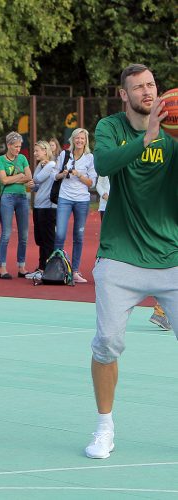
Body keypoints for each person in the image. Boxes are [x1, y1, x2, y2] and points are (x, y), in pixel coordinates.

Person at [86, 63, 178, 460]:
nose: (147, 92)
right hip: (120, 255)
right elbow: (103, 165)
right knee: (107, 343)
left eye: (151, 85)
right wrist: (146, 138)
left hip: (172, 255)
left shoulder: (175, 134)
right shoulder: (110, 128)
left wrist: (163, 135)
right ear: (123, 95)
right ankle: (105, 427)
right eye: (138, 87)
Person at [53, 128, 97, 283]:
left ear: (86, 141)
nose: (79, 141)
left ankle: (76, 271)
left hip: (82, 200)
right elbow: (55, 176)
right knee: (60, 234)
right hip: (64, 198)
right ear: (72, 140)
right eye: (77, 138)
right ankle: (56, 269)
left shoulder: (90, 158)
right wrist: (64, 173)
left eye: (82, 139)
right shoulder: (65, 154)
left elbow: (92, 183)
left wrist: (79, 174)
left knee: (78, 236)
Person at [0, 131, 33, 279]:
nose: (18, 149)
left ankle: (21, 266)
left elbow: (29, 177)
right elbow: (3, 180)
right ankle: (2, 268)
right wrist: (19, 177)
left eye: (20, 146)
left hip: (22, 197)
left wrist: (13, 178)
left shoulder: (22, 158)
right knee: (6, 234)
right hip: (7, 198)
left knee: (24, 234)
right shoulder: (0, 160)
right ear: (8, 145)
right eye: (16, 146)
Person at [26, 141, 57, 279]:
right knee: (40, 240)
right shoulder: (41, 165)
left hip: (48, 207)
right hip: (39, 206)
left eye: (37, 150)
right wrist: (33, 182)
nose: (35, 153)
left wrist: (33, 180)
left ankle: (48, 270)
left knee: (48, 240)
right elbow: (35, 187)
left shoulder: (51, 165)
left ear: (45, 151)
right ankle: (41, 268)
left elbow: (36, 179)